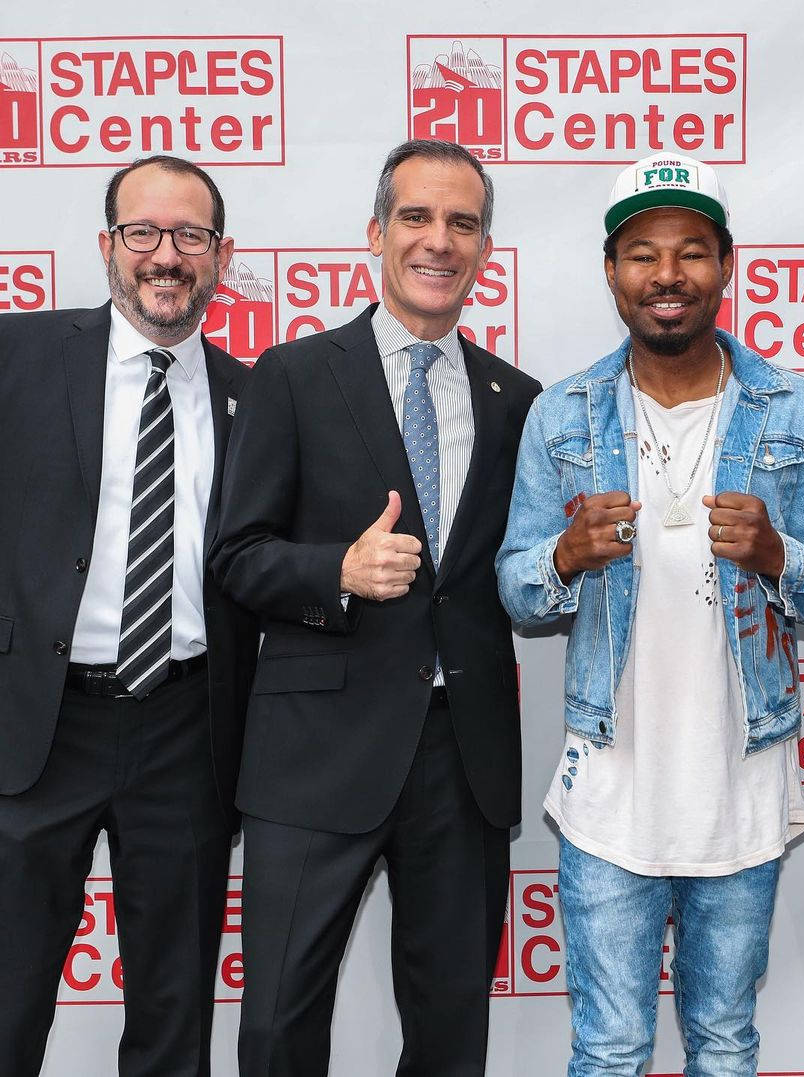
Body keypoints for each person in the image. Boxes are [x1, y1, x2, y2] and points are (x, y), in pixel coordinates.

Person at [496, 153, 804, 1076]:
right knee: (610, 1048)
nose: (667, 275)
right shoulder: (561, 413)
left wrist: (778, 556)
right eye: (642, 253)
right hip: (611, 788)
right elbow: (516, 587)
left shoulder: (796, 408)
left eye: (691, 251)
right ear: (611, 272)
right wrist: (565, 557)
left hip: (741, 784)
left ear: (726, 265)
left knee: (726, 1042)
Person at [210, 139, 541, 1076]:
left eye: (463, 223)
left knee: (450, 1034)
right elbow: (237, 558)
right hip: (315, 751)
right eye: (417, 217)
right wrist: (337, 573)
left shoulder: (517, 400)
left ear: (484, 248)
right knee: (277, 1024)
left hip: (461, 757)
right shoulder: (295, 374)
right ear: (376, 233)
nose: (439, 240)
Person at [0, 155, 257, 1076]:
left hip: (186, 728)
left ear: (221, 257)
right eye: (144, 233)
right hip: (36, 724)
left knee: (172, 1016)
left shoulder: (258, 397)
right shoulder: (18, 353)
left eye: (190, 236)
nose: (166, 256)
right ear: (108, 247)